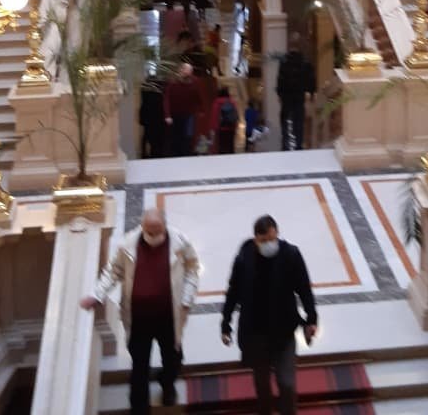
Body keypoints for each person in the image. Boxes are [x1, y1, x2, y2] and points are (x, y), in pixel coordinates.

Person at [80, 208, 200, 414]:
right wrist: (97, 294)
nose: (154, 236)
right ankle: (139, 407)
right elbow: (113, 271)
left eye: (158, 231)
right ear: (142, 227)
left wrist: (187, 299)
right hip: (139, 320)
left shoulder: (180, 242)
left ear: (165, 225)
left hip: (168, 318)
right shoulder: (128, 244)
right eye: (149, 232)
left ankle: (167, 384)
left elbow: (192, 269)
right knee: (139, 367)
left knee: (173, 360)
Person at [221, 215, 317, 415]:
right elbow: (233, 292)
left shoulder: (290, 255)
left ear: (277, 234)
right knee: (262, 383)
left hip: (284, 331)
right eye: (264, 241)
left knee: (287, 383)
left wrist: (311, 319)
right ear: (256, 238)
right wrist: (225, 324)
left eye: (272, 239)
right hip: (256, 334)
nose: (269, 244)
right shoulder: (244, 259)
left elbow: (304, 288)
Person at [277, 34, 316, 151]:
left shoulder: (284, 62)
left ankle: (286, 145)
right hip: (299, 95)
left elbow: (280, 79)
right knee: (298, 120)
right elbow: (310, 79)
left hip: (287, 96)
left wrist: (280, 93)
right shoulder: (305, 62)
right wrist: (311, 92)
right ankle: (298, 144)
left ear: (290, 45)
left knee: (285, 120)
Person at [165, 62, 204, 156]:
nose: (187, 72)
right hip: (175, 113)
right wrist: (167, 115)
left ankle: (187, 155)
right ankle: (176, 156)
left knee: (188, 136)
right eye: (185, 70)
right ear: (180, 70)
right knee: (176, 137)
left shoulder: (196, 81)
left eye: (190, 71)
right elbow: (167, 99)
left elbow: (199, 96)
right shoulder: (173, 82)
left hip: (189, 113)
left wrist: (201, 110)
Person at [139, 77, 167, 159]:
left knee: (147, 135)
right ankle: (156, 153)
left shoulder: (145, 90)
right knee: (156, 137)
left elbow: (144, 104)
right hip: (157, 116)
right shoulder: (160, 91)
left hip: (148, 116)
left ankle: (145, 153)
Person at [212, 86, 240, 154]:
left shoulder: (217, 102)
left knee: (222, 147)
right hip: (231, 128)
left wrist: (214, 128)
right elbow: (235, 115)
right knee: (230, 146)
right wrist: (236, 126)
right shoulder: (232, 102)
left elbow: (214, 116)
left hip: (221, 128)